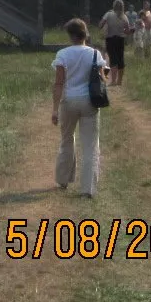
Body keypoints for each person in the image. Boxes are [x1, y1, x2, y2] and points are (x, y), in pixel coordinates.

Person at [52, 18, 107, 197]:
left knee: (67, 140)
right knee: (90, 144)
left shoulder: (63, 54)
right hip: (89, 101)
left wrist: (54, 109)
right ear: (85, 34)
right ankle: (87, 189)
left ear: (71, 35)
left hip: (69, 101)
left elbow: (59, 83)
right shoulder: (94, 54)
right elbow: (102, 79)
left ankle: (63, 179)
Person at [97, 0, 131, 86]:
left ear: (113, 6)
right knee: (120, 59)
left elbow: (100, 25)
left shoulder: (108, 14)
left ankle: (113, 81)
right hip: (120, 39)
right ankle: (119, 81)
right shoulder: (124, 17)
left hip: (110, 39)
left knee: (113, 59)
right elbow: (127, 31)